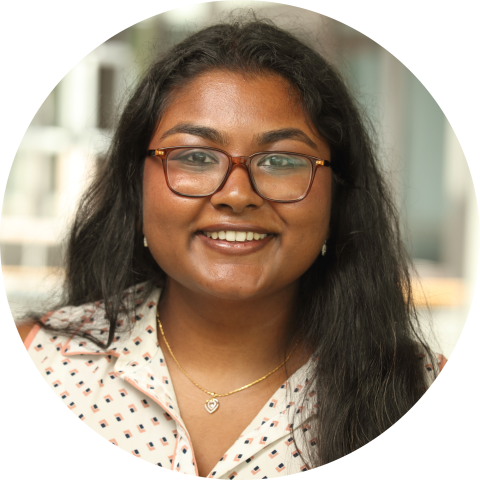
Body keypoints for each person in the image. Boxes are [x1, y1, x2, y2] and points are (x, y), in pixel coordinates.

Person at [19, 17, 446, 478]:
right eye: (196, 157)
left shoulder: (430, 394)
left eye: (282, 160)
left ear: (338, 195)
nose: (237, 194)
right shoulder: (34, 361)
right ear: (134, 184)